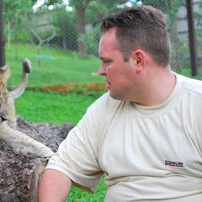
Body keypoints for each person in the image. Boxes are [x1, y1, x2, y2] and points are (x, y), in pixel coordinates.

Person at [38, 5, 202, 202]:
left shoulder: (196, 105)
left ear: (138, 60)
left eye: (107, 61)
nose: (100, 71)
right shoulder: (105, 108)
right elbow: (61, 167)